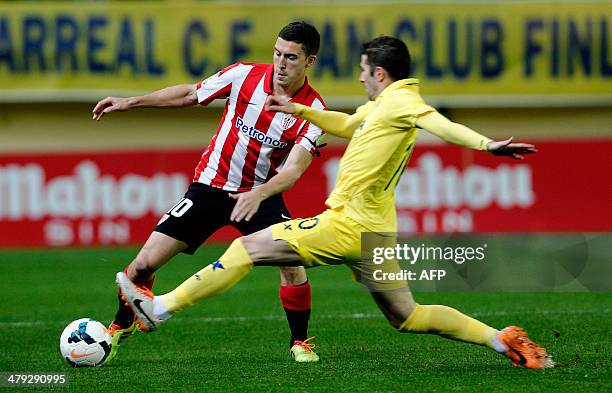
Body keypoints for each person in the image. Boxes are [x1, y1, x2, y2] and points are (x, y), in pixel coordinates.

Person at [116, 36, 554, 369]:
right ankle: (503, 339)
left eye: (364, 71)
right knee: (407, 315)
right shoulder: (380, 107)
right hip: (376, 231)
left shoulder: (405, 103)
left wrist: (486, 145)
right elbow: (345, 123)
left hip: (345, 225)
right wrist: (298, 109)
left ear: (379, 73)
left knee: (244, 249)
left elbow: (438, 123)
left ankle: (159, 309)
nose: (360, 77)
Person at [91, 21, 326, 363]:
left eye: (291, 57)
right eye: (277, 54)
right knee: (141, 266)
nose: (281, 64)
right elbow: (190, 93)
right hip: (209, 188)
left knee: (292, 262)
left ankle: (300, 342)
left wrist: (259, 195)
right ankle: (119, 326)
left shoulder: (314, 110)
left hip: (260, 197)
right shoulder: (243, 75)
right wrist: (130, 102)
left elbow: (293, 170)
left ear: (310, 61)